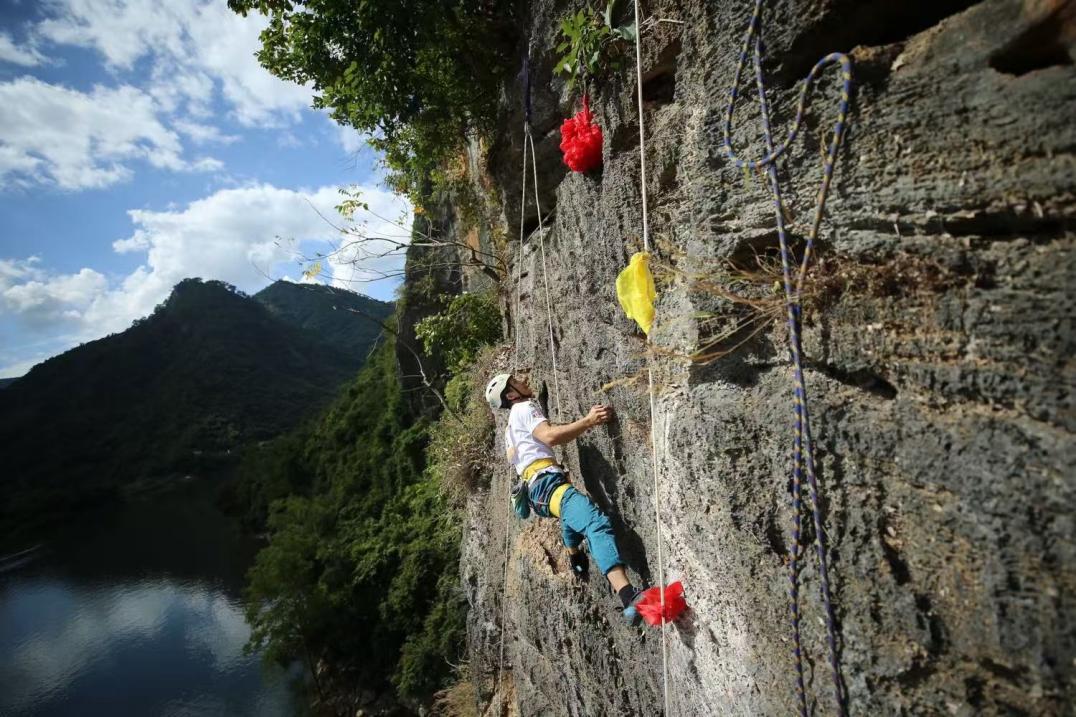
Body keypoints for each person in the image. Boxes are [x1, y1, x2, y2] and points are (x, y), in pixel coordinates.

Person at [485, 372, 645, 625]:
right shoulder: (524, 407)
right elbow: (549, 436)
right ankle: (628, 596)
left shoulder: (509, 428)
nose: (524, 379)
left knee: (570, 512)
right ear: (511, 394)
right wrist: (589, 420)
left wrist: (574, 552)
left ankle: (574, 554)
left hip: (540, 491)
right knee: (594, 522)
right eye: (516, 380)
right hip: (547, 485)